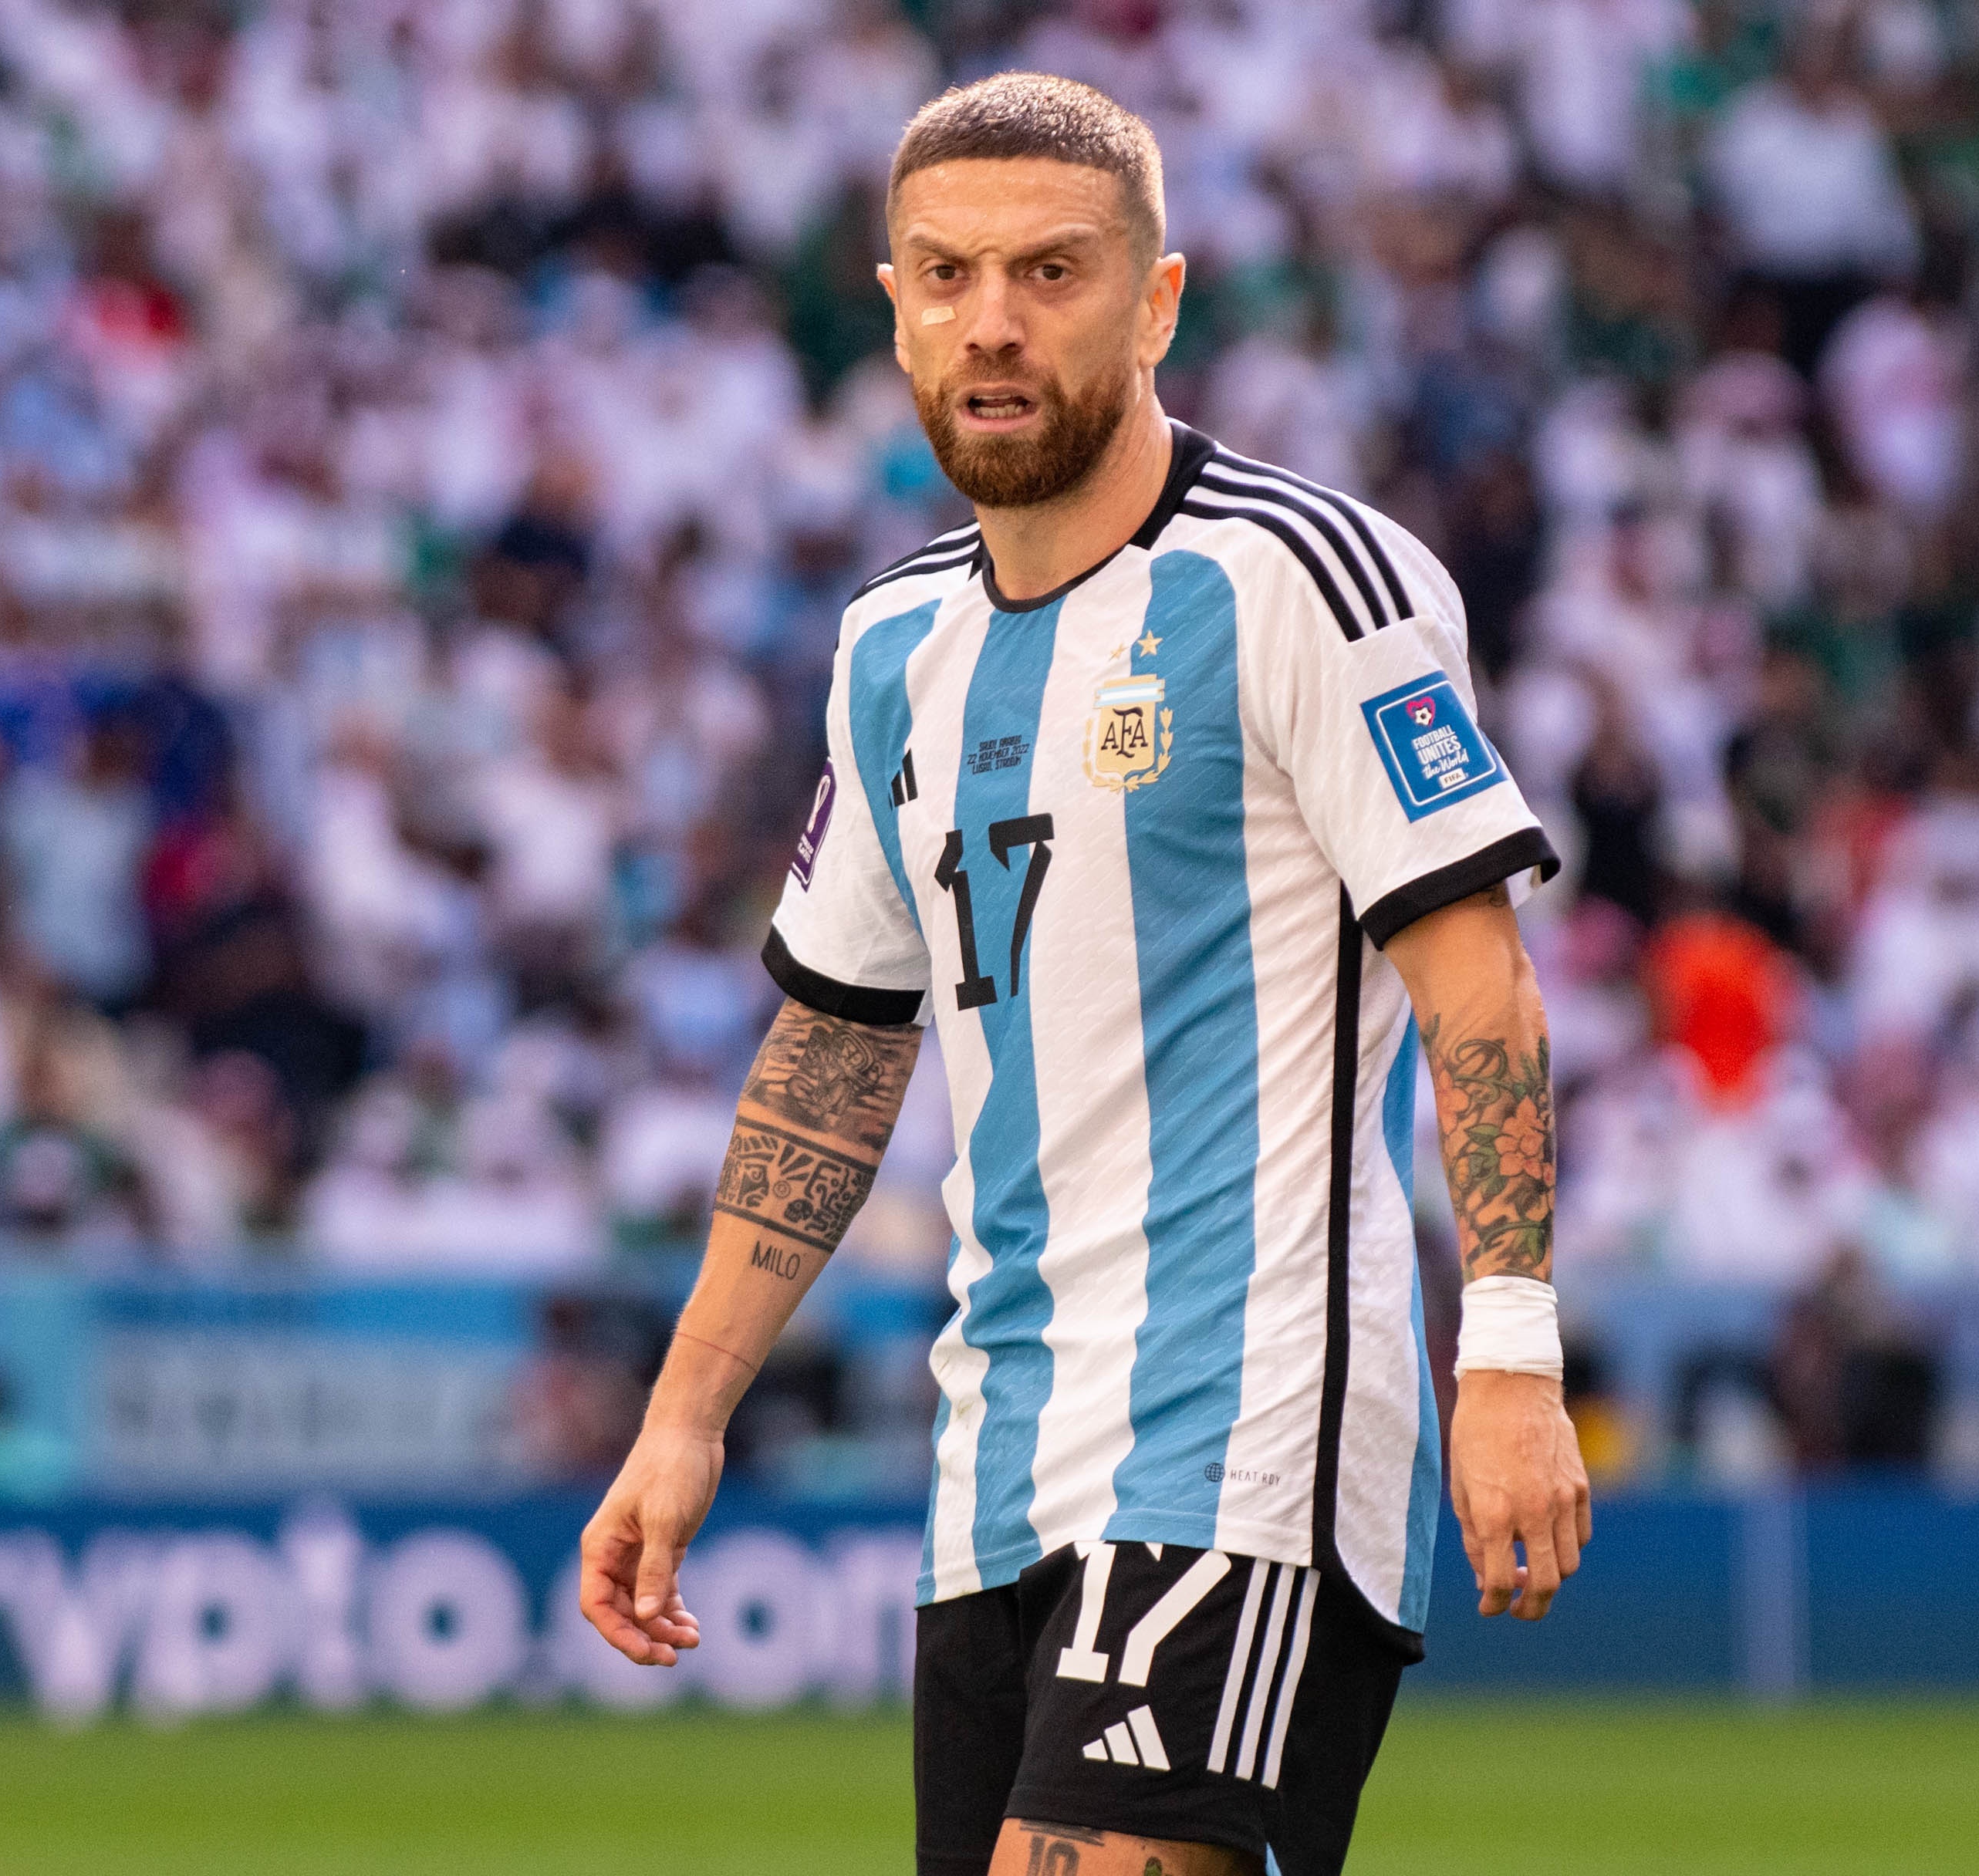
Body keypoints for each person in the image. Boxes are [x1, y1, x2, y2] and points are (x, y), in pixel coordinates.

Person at [580, 75, 1589, 1876]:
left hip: (1244, 1425)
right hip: (998, 1450)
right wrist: (681, 1417)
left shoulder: (1300, 580)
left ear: (1155, 301)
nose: (992, 321)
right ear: (891, 306)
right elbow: (830, 1056)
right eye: (945, 274)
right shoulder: (891, 645)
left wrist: (1505, 1349)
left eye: (1049, 272)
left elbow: (1478, 988)